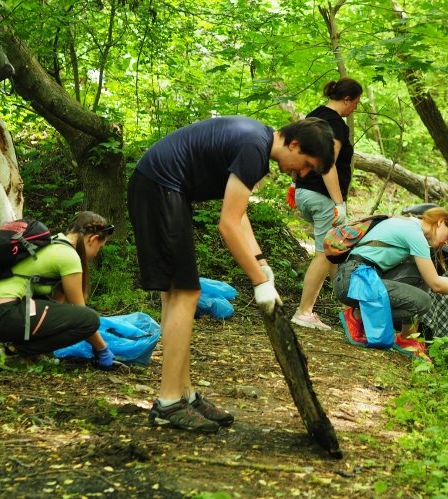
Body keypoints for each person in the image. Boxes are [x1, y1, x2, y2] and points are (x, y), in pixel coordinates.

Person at [127, 116, 335, 432]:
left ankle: (184, 394)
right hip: (159, 187)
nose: (302, 173)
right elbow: (227, 224)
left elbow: (239, 217)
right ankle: (168, 402)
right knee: (184, 293)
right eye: (306, 163)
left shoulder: (257, 143)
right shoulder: (254, 147)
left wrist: (261, 263)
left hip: (164, 189)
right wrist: (258, 281)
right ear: (294, 144)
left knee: (179, 294)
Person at [333, 207, 448, 359]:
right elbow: (436, 284)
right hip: (353, 281)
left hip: (360, 279)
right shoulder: (414, 234)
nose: (447, 241)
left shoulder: (410, 226)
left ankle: (406, 338)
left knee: (418, 272)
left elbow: (429, 277)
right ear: (440, 222)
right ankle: (357, 316)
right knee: (422, 302)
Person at [0, 211, 115, 369]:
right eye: (100, 248)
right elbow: (81, 312)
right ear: (92, 239)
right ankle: (13, 354)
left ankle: (31, 354)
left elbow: (59, 307)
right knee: (89, 320)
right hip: (4, 314)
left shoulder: (53, 243)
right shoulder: (69, 256)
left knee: (65, 312)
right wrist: (102, 348)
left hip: (5, 313)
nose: (96, 254)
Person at [291, 77, 363, 330]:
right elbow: (326, 163)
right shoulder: (335, 124)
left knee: (336, 251)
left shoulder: (312, 117)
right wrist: (339, 203)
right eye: (355, 102)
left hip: (304, 192)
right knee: (324, 253)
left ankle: (350, 309)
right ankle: (304, 312)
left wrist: (294, 184)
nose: (355, 107)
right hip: (322, 196)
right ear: (346, 100)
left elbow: (298, 154)